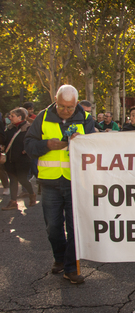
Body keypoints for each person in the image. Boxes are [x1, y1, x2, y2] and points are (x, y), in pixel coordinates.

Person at [24, 85, 96, 284]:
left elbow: (96, 147)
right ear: (55, 100)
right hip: (50, 182)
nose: (65, 110)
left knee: (75, 228)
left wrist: (83, 143)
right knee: (53, 227)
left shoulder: (87, 119)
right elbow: (28, 145)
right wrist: (46, 145)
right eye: (62, 106)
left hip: (76, 183)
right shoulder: (43, 117)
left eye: (70, 107)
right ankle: (60, 258)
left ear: (76, 104)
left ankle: (71, 268)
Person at [1, 107, 35, 211]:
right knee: (12, 180)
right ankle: (13, 202)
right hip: (10, 159)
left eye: (13, 116)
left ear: (20, 117)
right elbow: (5, 140)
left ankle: (31, 194)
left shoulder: (29, 128)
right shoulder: (9, 128)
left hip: (23, 159)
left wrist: (27, 149)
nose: (10, 118)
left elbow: (33, 141)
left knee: (22, 179)